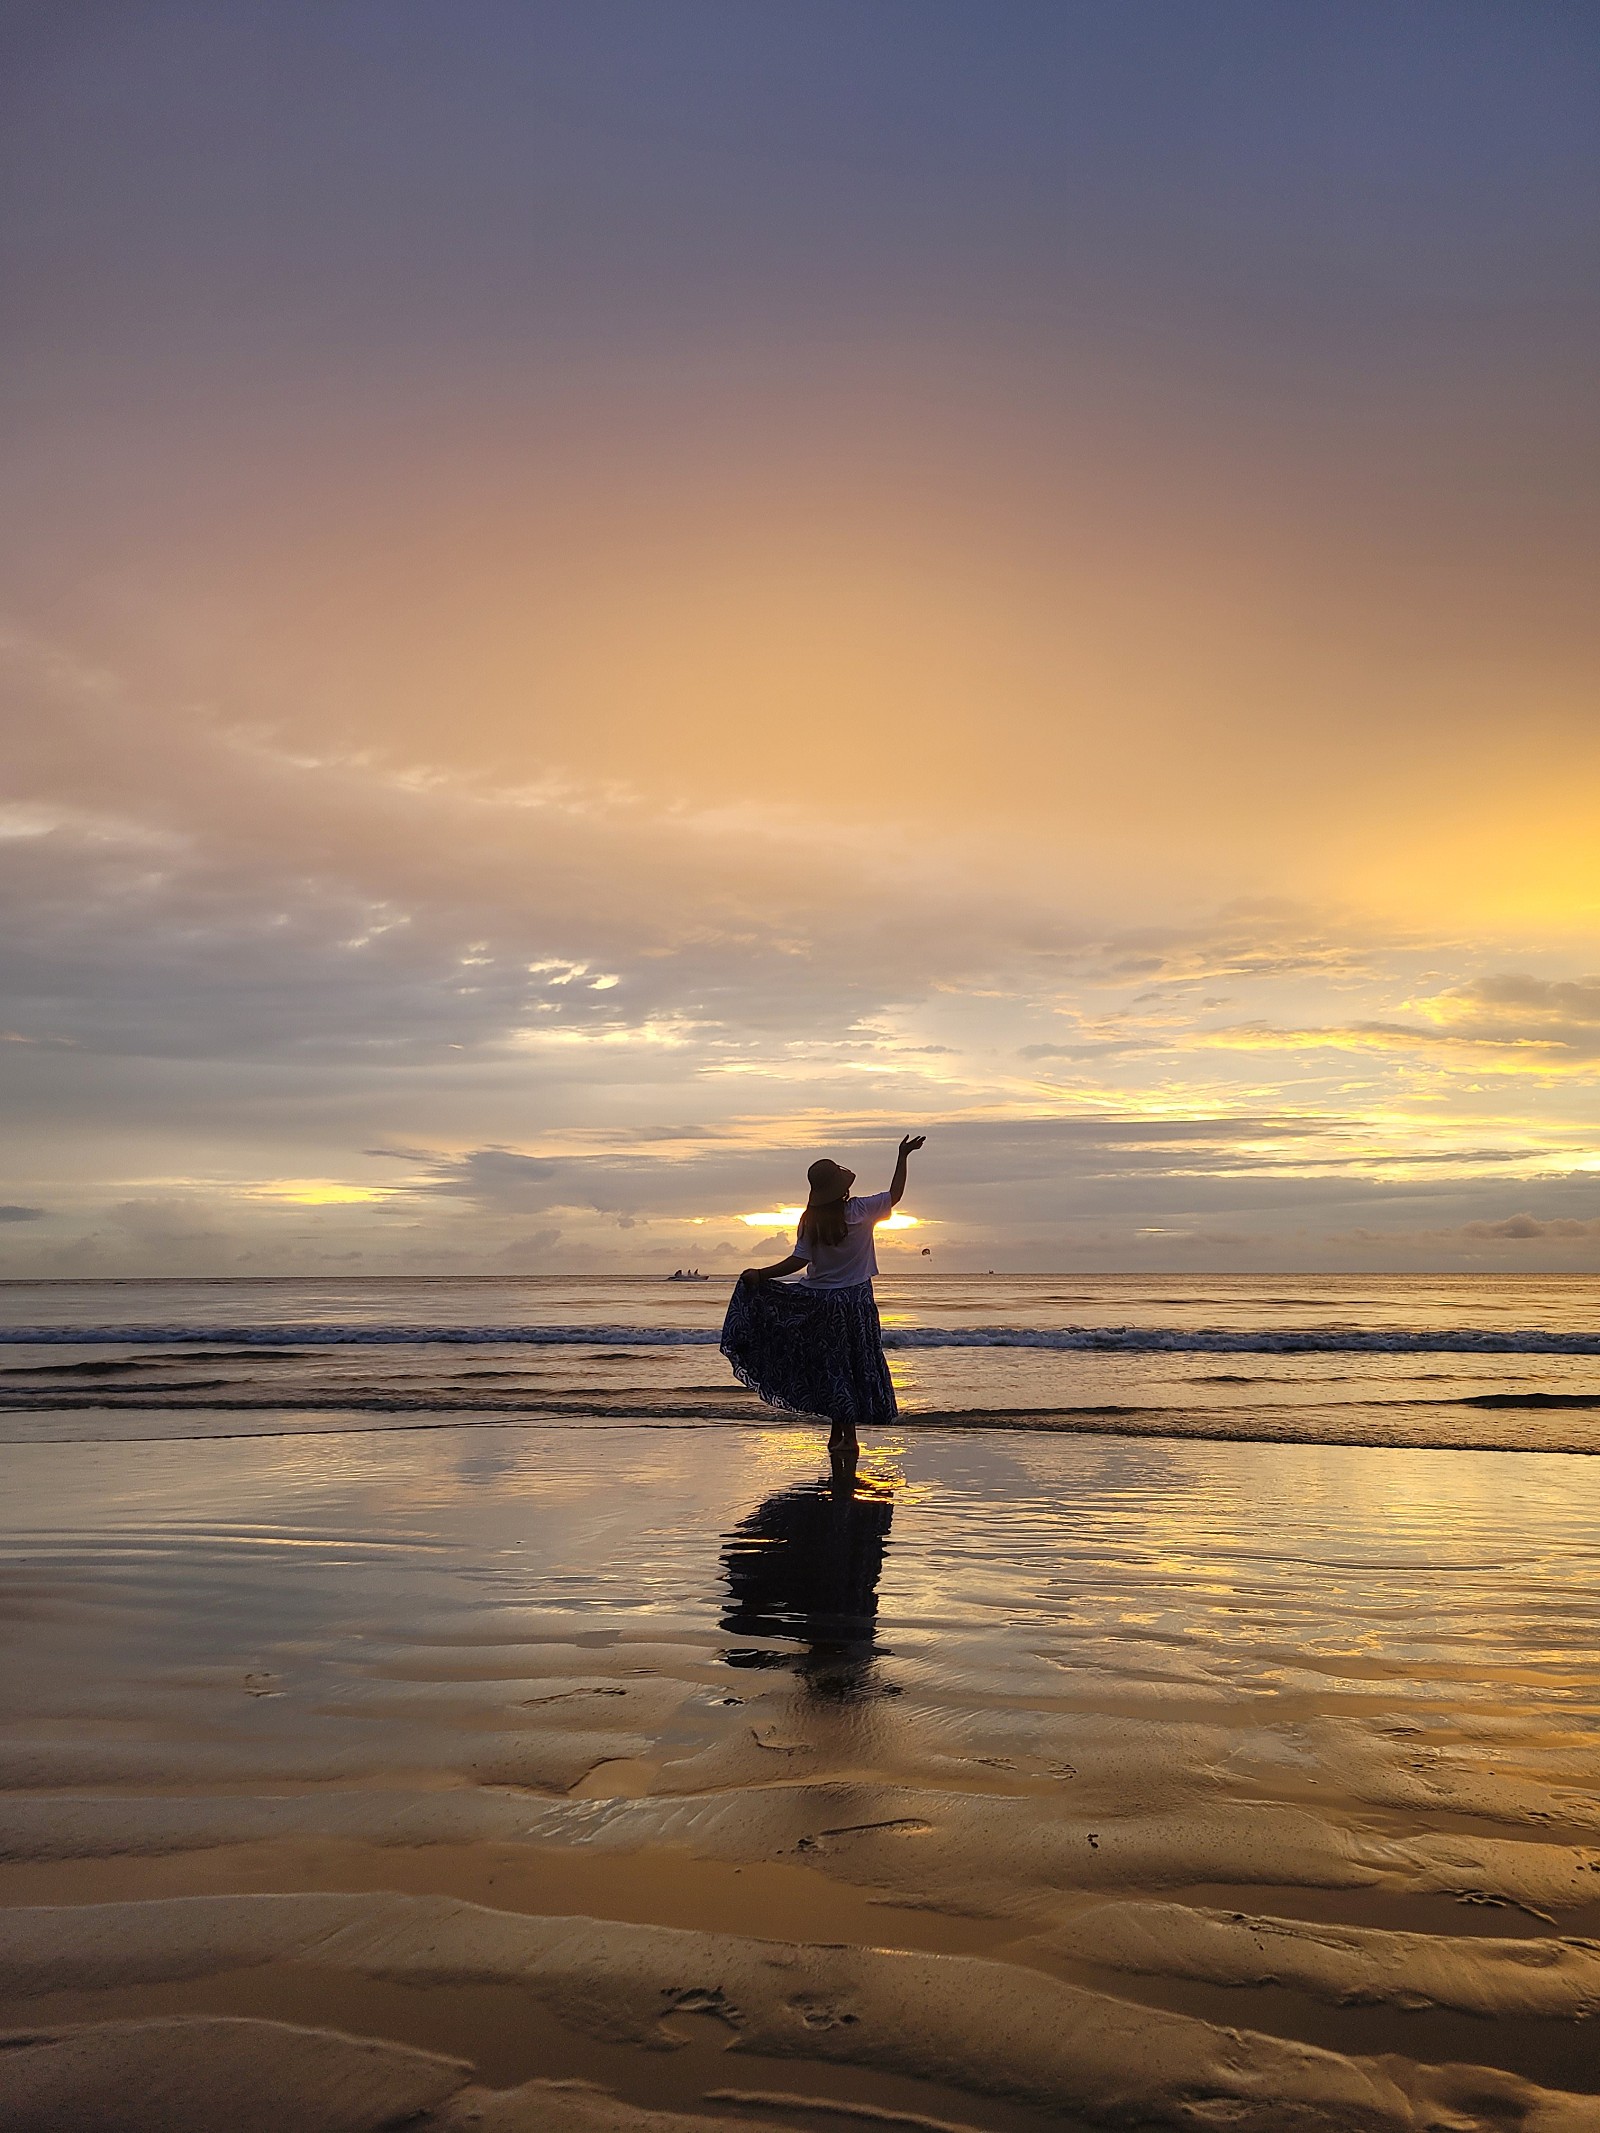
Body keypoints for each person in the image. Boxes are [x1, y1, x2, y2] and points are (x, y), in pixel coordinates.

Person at [720, 1134, 925, 1468]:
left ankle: (836, 1432)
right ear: (842, 1187)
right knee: (854, 1365)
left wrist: (761, 1274)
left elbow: (796, 1263)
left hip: (819, 1305)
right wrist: (903, 1156)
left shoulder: (810, 1220)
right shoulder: (860, 1209)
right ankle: (849, 1438)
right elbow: (896, 1194)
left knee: (830, 1367)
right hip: (856, 1303)